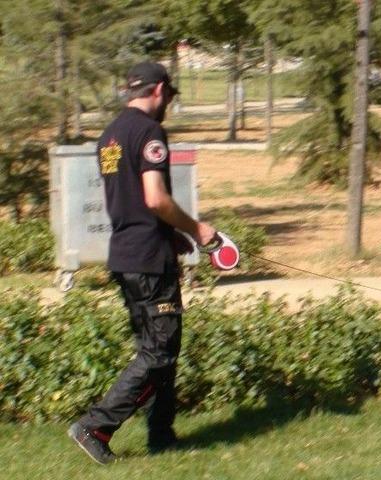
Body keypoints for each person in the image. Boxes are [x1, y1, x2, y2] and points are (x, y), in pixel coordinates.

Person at [67, 61, 216, 465]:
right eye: (168, 94)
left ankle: (162, 436)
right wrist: (198, 229)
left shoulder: (110, 135)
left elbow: (130, 201)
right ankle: (95, 426)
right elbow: (154, 198)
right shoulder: (150, 132)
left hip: (127, 254)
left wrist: (173, 233)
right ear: (159, 90)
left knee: (158, 348)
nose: (168, 101)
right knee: (159, 353)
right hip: (149, 261)